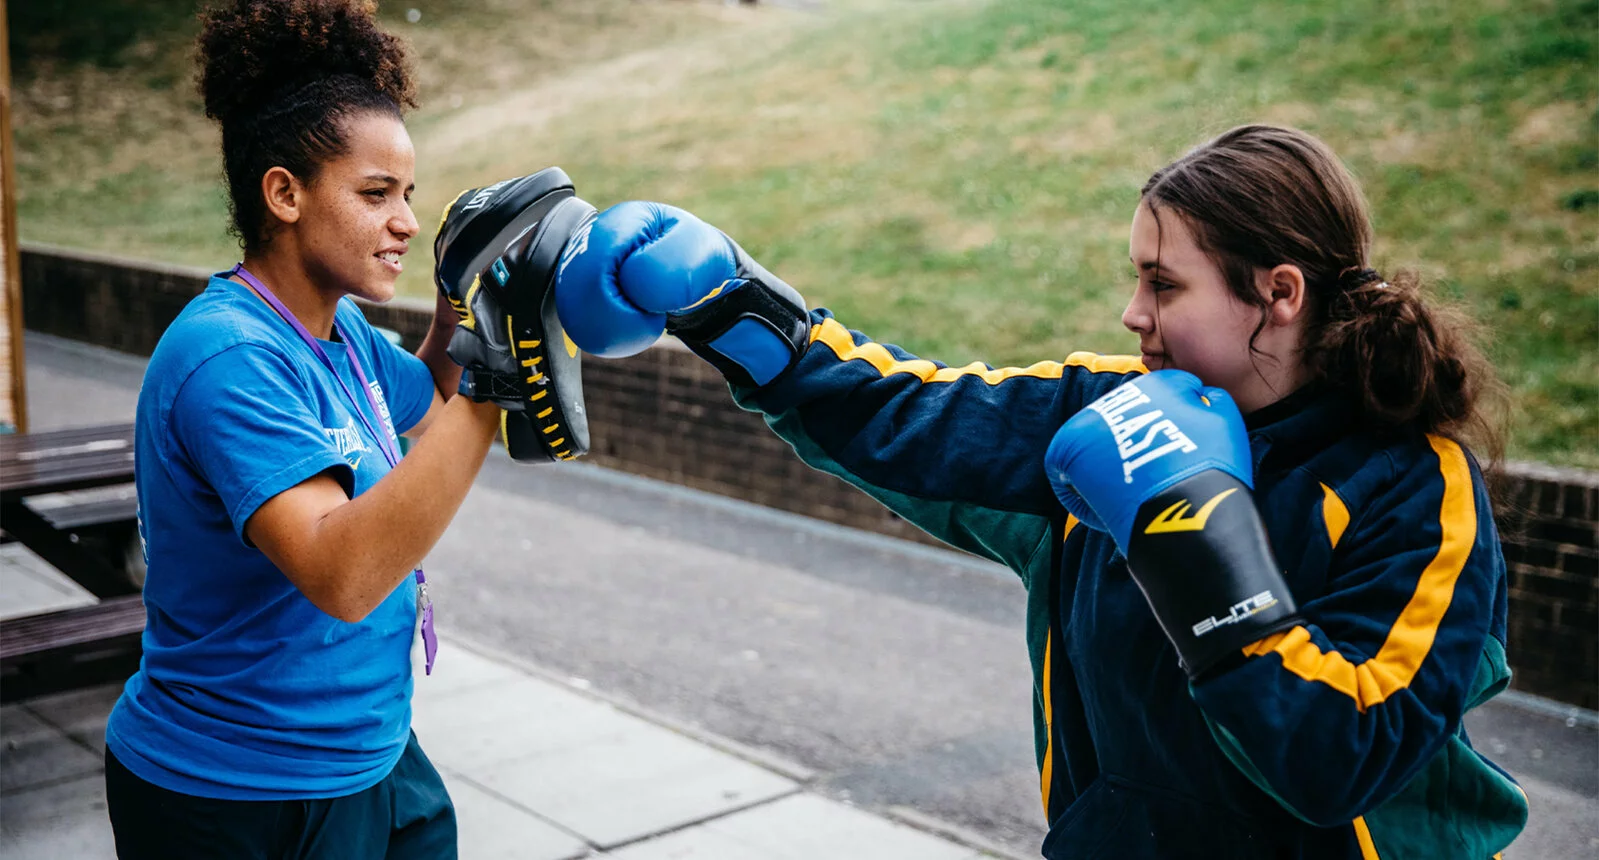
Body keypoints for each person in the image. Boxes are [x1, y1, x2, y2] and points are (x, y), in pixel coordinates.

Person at [492, 124, 1527, 857]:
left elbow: (1344, 755)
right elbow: (906, 411)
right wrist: (731, 308)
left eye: (1164, 285)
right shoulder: (1111, 405)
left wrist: (1198, 545)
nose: (1132, 311)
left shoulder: (1416, 489)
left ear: (1280, 293)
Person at [103, 1, 508, 856]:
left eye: (408, 196)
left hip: (365, 750)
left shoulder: (337, 328)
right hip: (238, 789)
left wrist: (460, 309)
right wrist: (499, 385)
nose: (403, 220)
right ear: (283, 194)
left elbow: (431, 412)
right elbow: (345, 571)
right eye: (375, 194)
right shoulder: (228, 356)